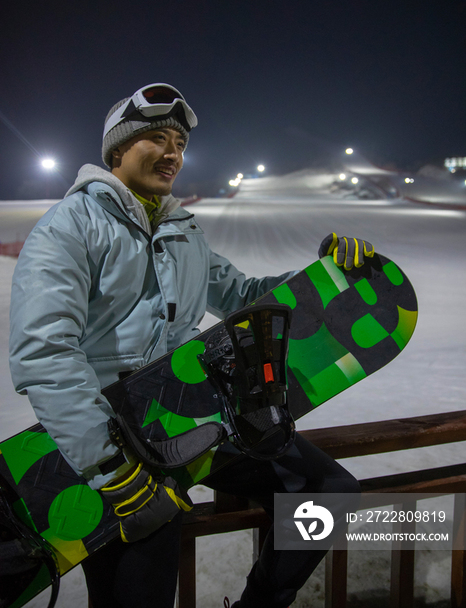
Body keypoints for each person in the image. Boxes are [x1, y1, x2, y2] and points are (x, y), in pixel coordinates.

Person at [9, 83, 370, 608]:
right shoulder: (69, 228)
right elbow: (44, 352)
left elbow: (245, 297)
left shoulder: (183, 232)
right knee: (143, 583)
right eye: (156, 138)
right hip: (117, 440)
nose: (173, 153)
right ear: (117, 151)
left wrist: (325, 276)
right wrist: (107, 466)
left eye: (179, 142)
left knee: (327, 493)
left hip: (197, 412)